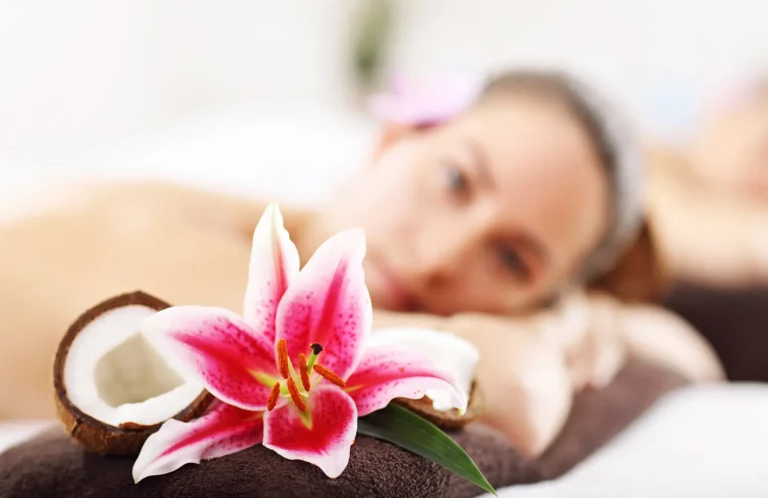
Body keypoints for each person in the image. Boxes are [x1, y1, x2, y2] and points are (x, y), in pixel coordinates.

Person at [0, 70, 722, 456]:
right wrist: (565, 319)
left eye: (511, 259)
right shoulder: (187, 245)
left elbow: (688, 351)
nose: (442, 256)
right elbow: (517, 393)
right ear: (393, 140)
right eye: (455, 181)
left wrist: (595, 313)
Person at [649, 77, 768, 287]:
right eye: (763, 151)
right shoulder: (643, 165)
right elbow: (657, 231)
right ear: (733, 111)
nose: (763, 179)